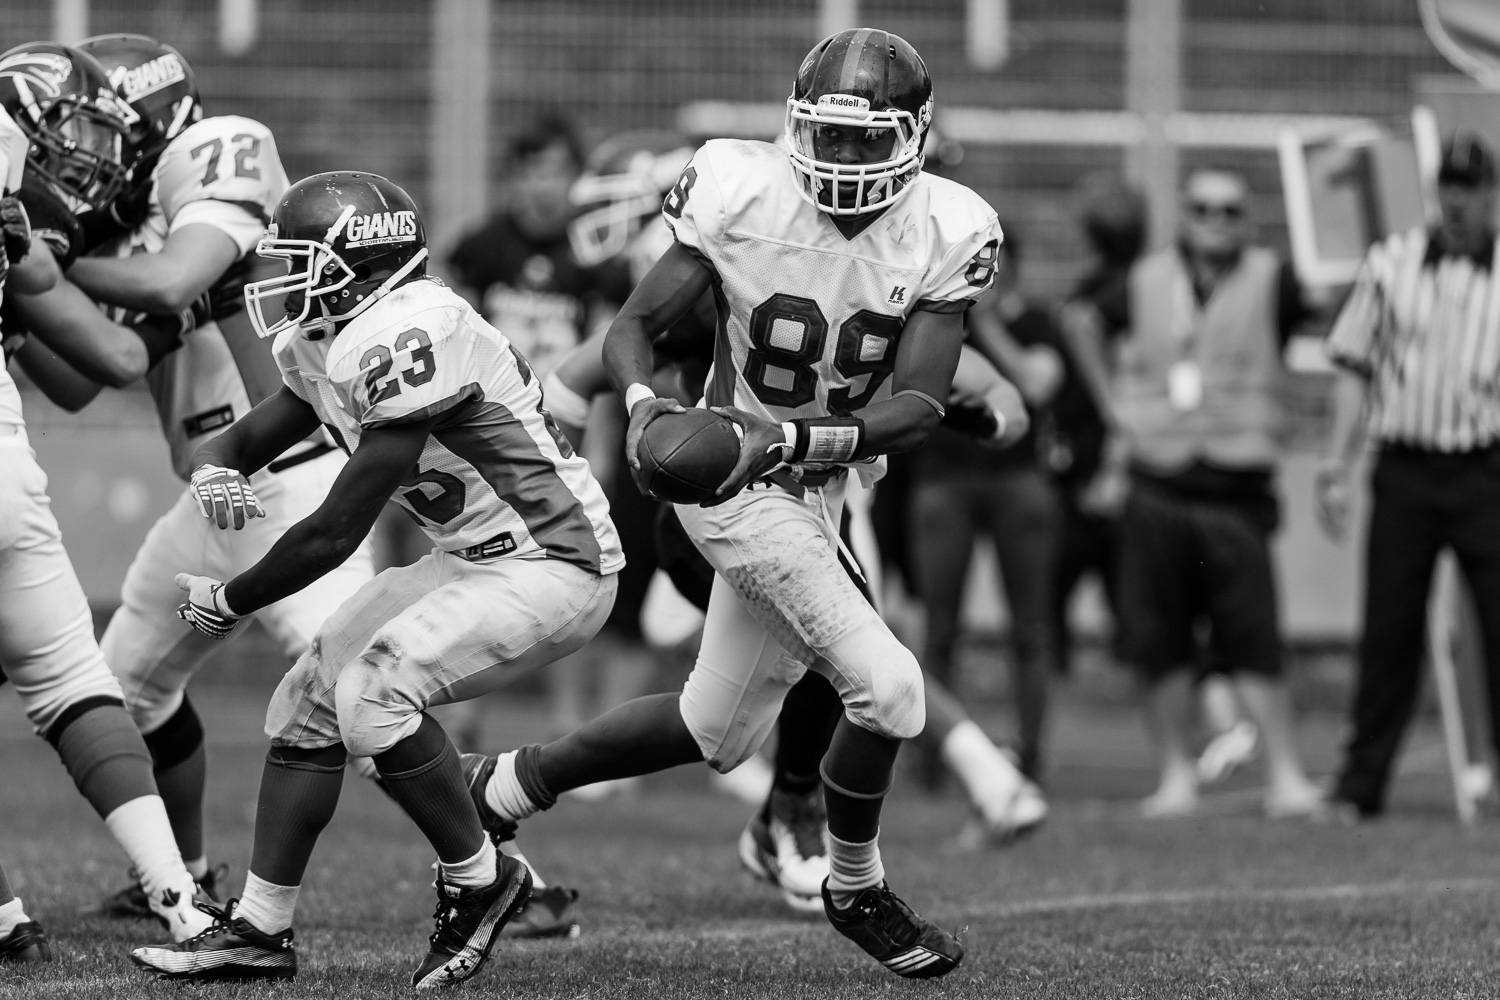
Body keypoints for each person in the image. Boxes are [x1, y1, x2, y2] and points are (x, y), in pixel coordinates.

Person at [466, 29, 999, 979]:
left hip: (810, 476)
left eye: (862, 139)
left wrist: (790, 440)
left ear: (914, 137)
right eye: (825, 136)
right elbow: (634, 327)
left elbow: (916, 406)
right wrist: (642, 409)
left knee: (717, 729)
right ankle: (852, 881)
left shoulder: (951, 227)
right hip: (731, 480)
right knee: (890, 687)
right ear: (795, 128)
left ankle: (502, 787)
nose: (840, 159)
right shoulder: (738, 190)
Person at [128, 171, 622, 987]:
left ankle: (482, 881)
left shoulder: (412, 330)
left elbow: (332, 532)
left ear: (359, 265)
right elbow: (252, 433)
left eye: (299, 262)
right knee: (311, 699)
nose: (281, 284)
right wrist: (217, 470)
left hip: (552, 562)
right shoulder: (333, 335)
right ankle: (258, 929)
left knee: (374, 694)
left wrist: (231, 597)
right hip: (472, 558)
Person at [5, 34, 378, 919]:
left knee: (363, 690)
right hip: (212, 486)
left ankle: (492, 853)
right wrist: (24, 301)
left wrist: (44, 263)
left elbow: (172, 286)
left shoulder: (214, 154)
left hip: (286, 472)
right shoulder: (112, 213)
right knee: (121, 684)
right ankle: (189, 874)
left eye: (110, 133)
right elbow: (99, 366)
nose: (91, 158)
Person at [0, 49, 215, 949]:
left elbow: (93, 364)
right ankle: (182, 898)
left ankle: (5, 915)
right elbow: (113, 359)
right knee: (70, 680)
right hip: (3, 466)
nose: (87, 160)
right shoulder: (16, 220)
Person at [1085, 166, 1324, 818]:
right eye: (1202, 208)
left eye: (1229, 209)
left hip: (1236, 486)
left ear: (1247, 217)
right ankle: (1174, 778)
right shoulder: (1145, 280)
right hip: (1156, 479)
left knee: (1255, 638)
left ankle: (1287, 778)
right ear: (1184, 214)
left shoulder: (1275, 279)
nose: (1215, 221)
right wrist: (1114, 410)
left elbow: (1337, 316)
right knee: (1157, 639)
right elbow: (1081, 321)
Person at [1318, 132, 1500, 819]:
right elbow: (1353, 364)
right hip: (1405, 468)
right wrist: (1335, 465)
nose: (1457, 201)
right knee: (1389, 629)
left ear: (1490, 194)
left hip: (1486, 470)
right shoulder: (1391, 262)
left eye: (1470, 187)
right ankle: (1361, 785)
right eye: (1447, 186)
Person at [908, 230, 1061, 782]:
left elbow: (1038, 384)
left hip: (1017, 481)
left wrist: (988, 321)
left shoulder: (1036, 323)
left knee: (1031, 628)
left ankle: (1032, 754)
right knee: (940, 626)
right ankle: (935, 755)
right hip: (944, 481)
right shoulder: (933, 320)